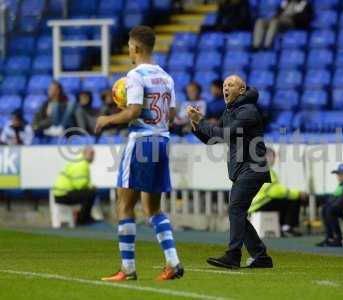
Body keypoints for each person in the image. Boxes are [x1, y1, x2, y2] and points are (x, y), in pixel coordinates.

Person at [95, 25, 183, 281]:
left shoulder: (135, 76)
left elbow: (133, 112)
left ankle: (128, 268)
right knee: (153, 208)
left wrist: (108, 119)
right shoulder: (167, 78)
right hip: (162, 141)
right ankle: (173, 262)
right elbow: (173, 115)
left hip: (141, 141)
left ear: (135, 47)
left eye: (130, 48)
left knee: (124, 203)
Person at [187, 75, 273, 269]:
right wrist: (195, 125)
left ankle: (233, 255)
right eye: (225, 85)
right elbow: (213, 140)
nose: (226, 87)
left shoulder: (248, 111)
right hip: (243, 168)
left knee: (236, 209)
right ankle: (261, 256)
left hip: (252, 166)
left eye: (231, 85)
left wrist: (201, 121)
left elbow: (224, 134)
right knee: (238, 212)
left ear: (241, 90)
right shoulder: (231, 110)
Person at [248, 147, 308, 237]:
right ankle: (287, 227)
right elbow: (275, 191)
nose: (274, 160)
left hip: (252, 205)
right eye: (273, 156)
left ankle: (281, 226)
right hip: (259, 204)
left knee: (283, 201)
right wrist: (297, 194)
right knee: (293, 200)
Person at [52, 147, 96, 225]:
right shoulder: (81, 164)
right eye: (91, 154)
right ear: (84, 154)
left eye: (93, 154)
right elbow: (79, 185)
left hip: (60, 193)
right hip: (63, 194)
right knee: (91, 193)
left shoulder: (79, 161)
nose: (93, 157)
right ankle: (83, 219)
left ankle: (83, 217)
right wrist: (90, 187)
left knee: (89, 192)